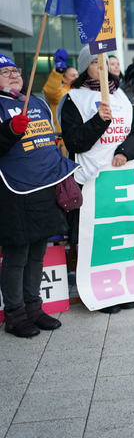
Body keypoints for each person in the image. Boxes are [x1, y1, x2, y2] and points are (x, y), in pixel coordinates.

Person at [60, 45, 134, 313]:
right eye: (97, 63)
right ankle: (97, 293)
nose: (103, 67)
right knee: (92, 239)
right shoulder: (74, 99)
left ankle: (118, 287)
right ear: (86, 67)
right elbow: (75, 141)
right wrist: (99, 120)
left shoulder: (121, 96)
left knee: (118, 236)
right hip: (89, 180)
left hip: (118, 178)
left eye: (106, 62)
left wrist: (124, 152)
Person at [0, 54, 79, 337]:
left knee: (38, 252)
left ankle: (34, 308)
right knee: (17, 255)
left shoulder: (36, 102)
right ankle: (15, 314)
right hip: (14, 192)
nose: (13, 75)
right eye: (4, 71)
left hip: (44, 188)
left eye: (15, 70)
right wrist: (8, 131)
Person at [42, 49, 78, 129]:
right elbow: (51, 91)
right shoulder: (62, 93)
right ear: (64, 78)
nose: (76, 78)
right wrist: (59, 70)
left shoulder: (81, 92)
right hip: (63, 137)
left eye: (77, 75)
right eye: (72, 75)